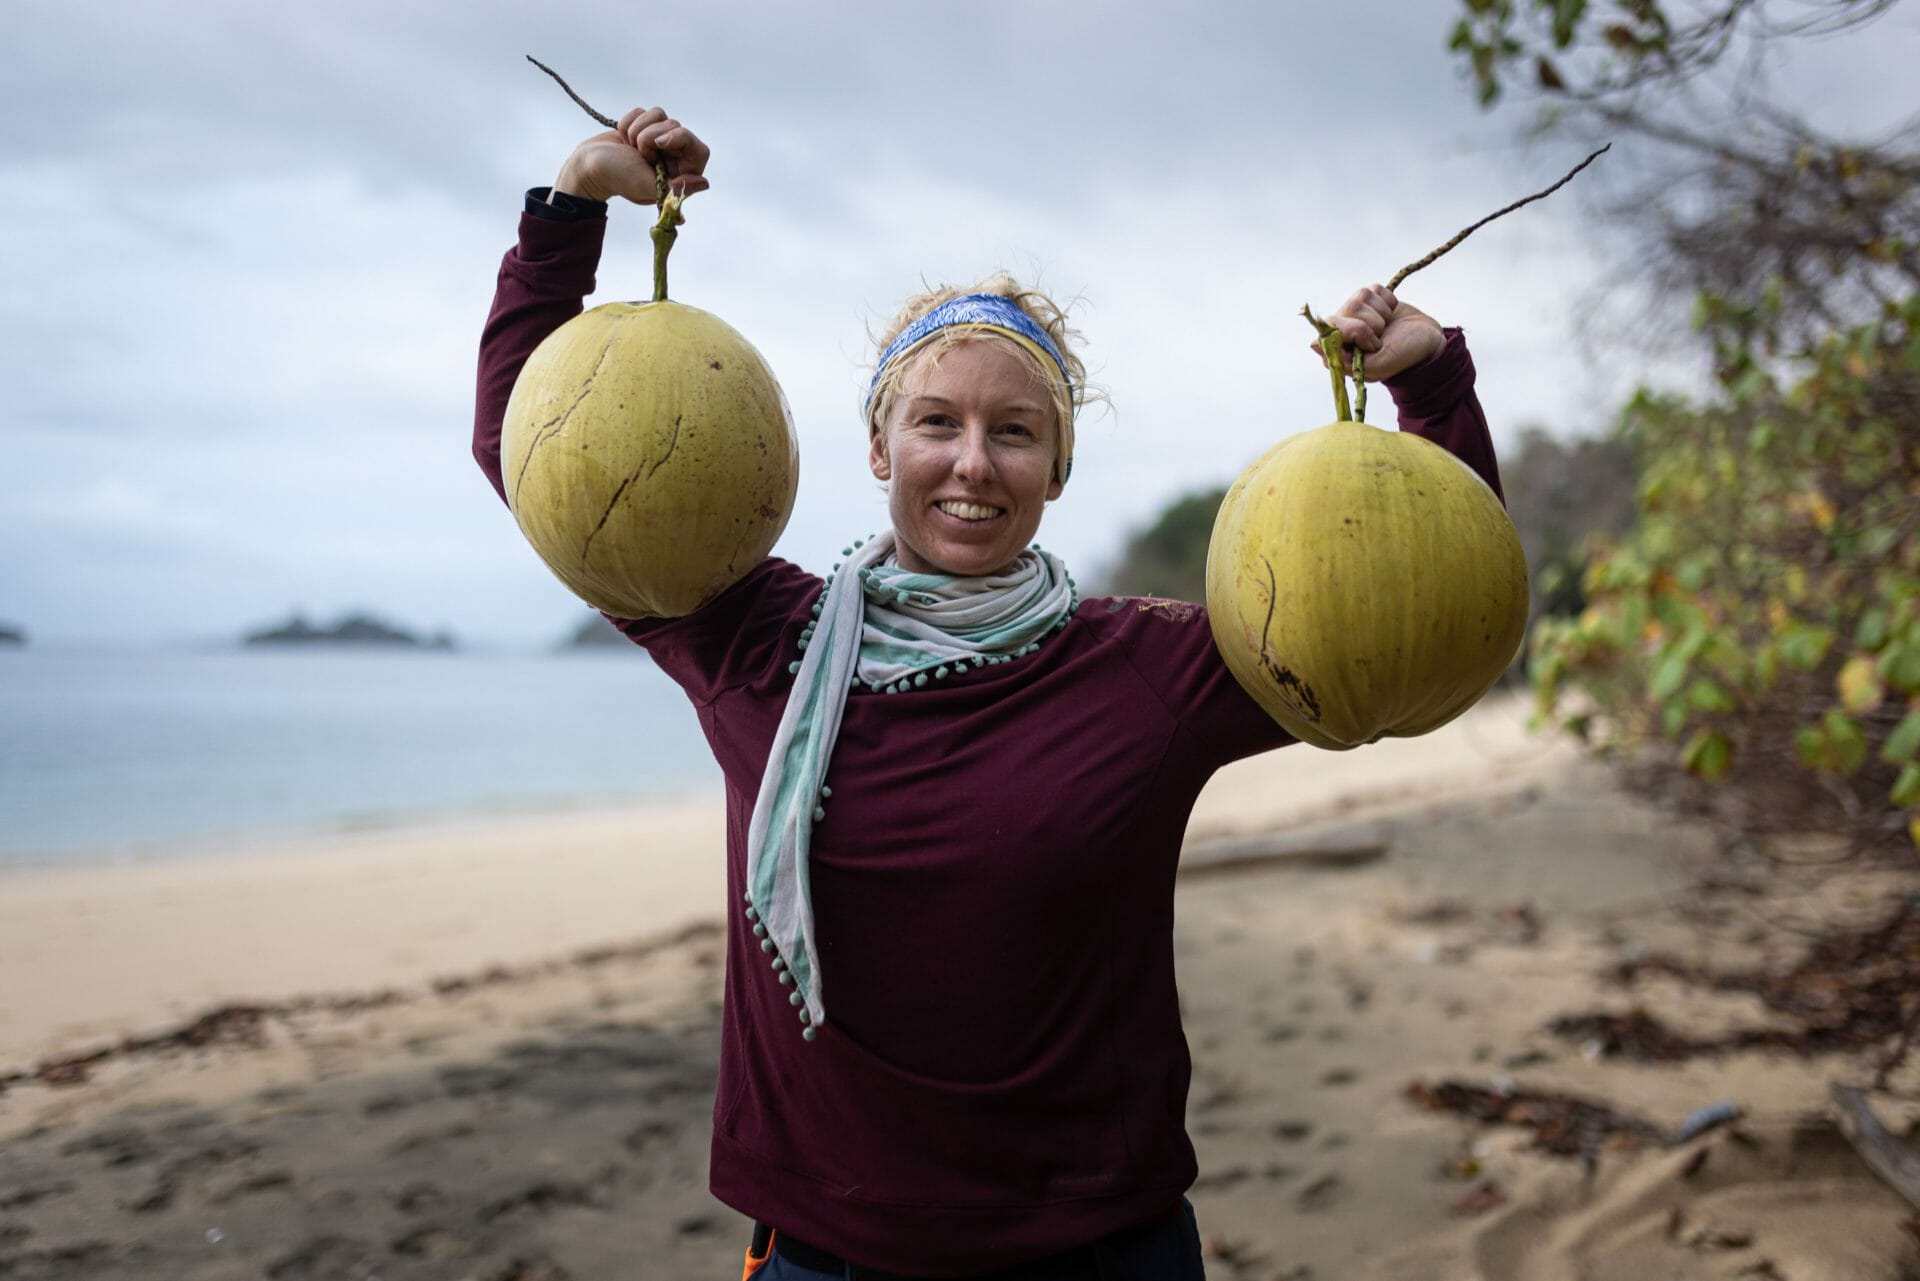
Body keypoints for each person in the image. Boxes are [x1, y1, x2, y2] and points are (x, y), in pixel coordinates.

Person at [474, 106, 1504, 1281]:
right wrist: (570, 213)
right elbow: (544, 460)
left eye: (1015, 432)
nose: (973, 463)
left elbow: (1422, 613)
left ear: (1058, 467)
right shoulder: (759, 644)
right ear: (879, 448)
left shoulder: (1150, 669)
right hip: (828, 1250)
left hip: (1097, 1248)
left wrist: (1431, 386)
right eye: (936, 423)